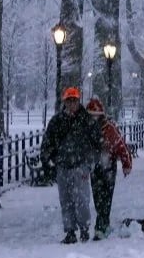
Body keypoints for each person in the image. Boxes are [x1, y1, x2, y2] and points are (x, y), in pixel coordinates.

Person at [40, 87, 101, 243]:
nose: (72, 104)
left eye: (74, 100)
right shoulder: (57, 121)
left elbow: (96, 144)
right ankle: (70, 231)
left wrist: (89, 164)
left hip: (80, 166)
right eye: (69, 101)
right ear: (65, 102)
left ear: (78, 101)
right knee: (66, 201)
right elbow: (48, 142)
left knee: (81, 200)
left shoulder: (86, 120)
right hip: (63, 166)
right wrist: (49, 160)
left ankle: (84, 228)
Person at [85, 98, 133, 241]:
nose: (94, 118)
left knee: (106, 198)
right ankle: (102, 225)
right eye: (92, 115)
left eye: (96, 115)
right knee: (98, 198)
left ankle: (101, 226)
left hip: (108, 166)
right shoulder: (87, 129)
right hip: (96, 166)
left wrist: (126, 164)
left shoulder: (109, 128)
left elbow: (121, 146)